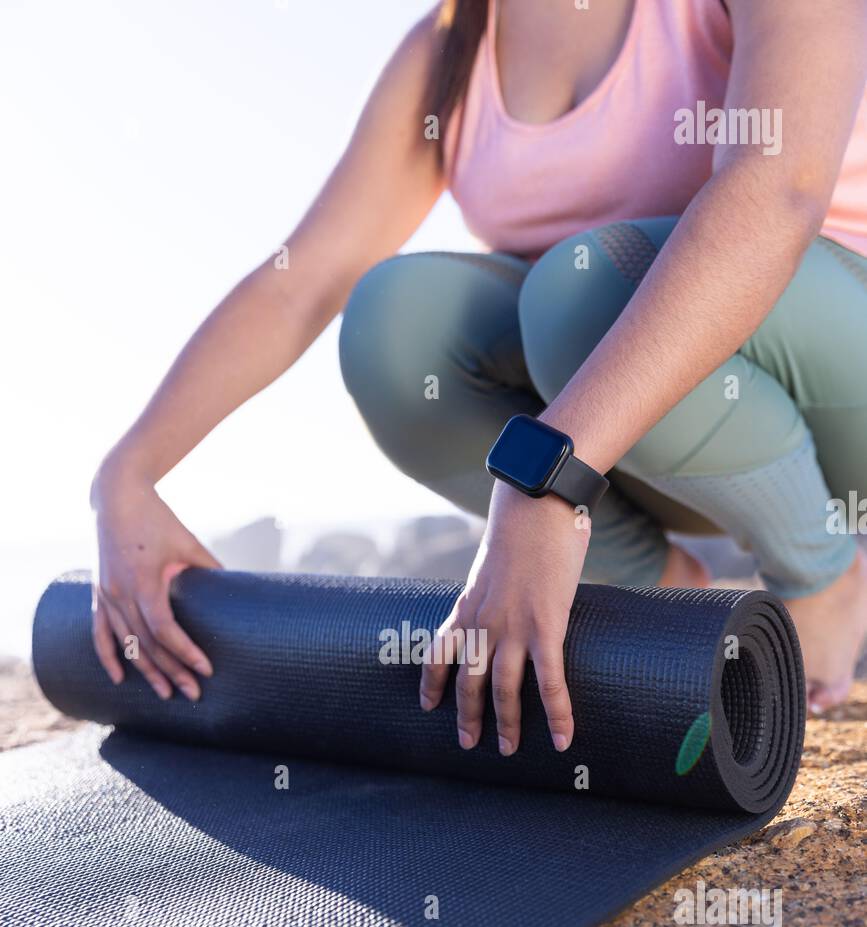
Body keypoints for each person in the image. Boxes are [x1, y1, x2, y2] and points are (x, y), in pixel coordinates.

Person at [91, 0, 867, 759]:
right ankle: (671, 604)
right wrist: (128, 474)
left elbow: (777, 190)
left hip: (836, 389)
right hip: (648, 435)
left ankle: (820, 571)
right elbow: (304, 280)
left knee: (579, 289)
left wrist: (544, 480)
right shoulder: (449, 45)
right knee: (395, 322)